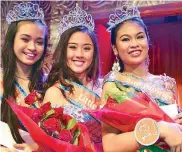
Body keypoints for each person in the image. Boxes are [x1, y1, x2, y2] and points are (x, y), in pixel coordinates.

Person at [101, 3, 182, 152]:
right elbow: (110, 145)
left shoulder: (168, 84)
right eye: (125, 39)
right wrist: (160, 129)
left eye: (139, 37)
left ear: (147, 41)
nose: (134, 44)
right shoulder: (114, 85)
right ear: (115, 49)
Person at [43, 5, 103, 152]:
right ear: (63, 51)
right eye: (73, 47)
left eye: (87, 48)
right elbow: (45, 141)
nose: (80, 54)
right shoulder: (54, 92)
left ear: (94, 53)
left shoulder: (103, 88)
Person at [0, 2, 48, 151]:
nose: (32, 47)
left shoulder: (49, 85)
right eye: (25, 39)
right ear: (12, 40)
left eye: (39, 42)